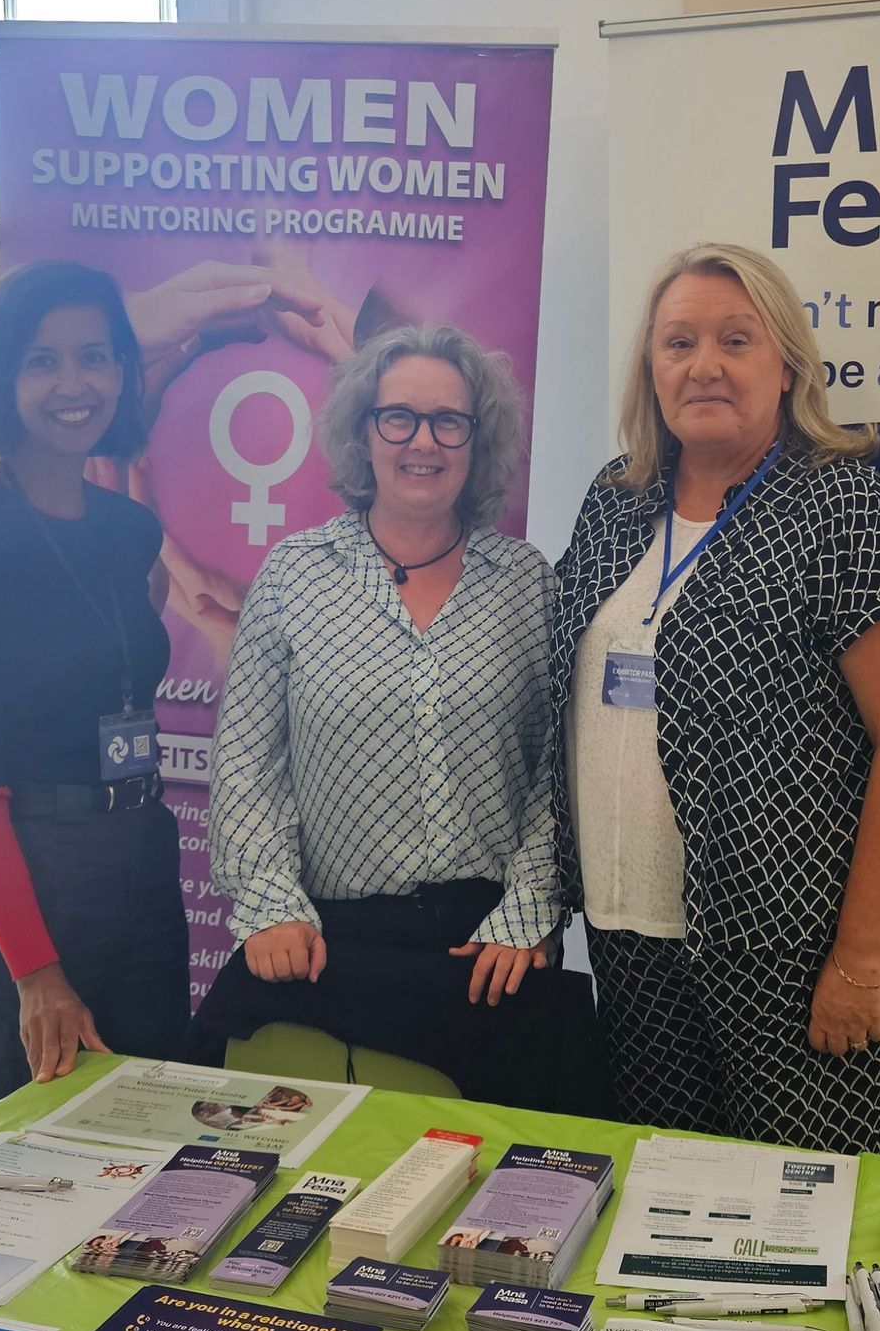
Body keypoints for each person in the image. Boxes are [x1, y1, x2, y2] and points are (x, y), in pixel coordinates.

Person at [552, 242, 880, 1157]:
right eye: (678, 342)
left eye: (736, 339)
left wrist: (860, 963)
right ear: (650, 370)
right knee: (671, 1216)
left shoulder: (845, 508)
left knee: (807, 1233)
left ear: (788, 366)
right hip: (630, 939)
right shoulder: (615, 502)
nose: (704, 365)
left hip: (795, 955)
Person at [195, 323, 601, 1110]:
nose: (425, 441)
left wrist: (529, 912)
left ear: (478, 441)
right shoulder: (294, 576)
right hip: (329, 948)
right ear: (363, 431)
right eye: (399, 418)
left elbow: (562, 768)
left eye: (450, 420)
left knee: (523, 1199)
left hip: (489, 952)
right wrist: (272, 905)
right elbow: (247, 764)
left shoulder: (527, 584)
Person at [0, 260, 191, 1124]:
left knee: (148, 1121)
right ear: (1, 379)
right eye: (42, 361)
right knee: (15, 1146)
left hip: (140, 855)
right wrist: (36, 974)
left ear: (121, 373)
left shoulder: (132, 531)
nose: (75, 383)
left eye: (95, 356)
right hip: (24, 870)